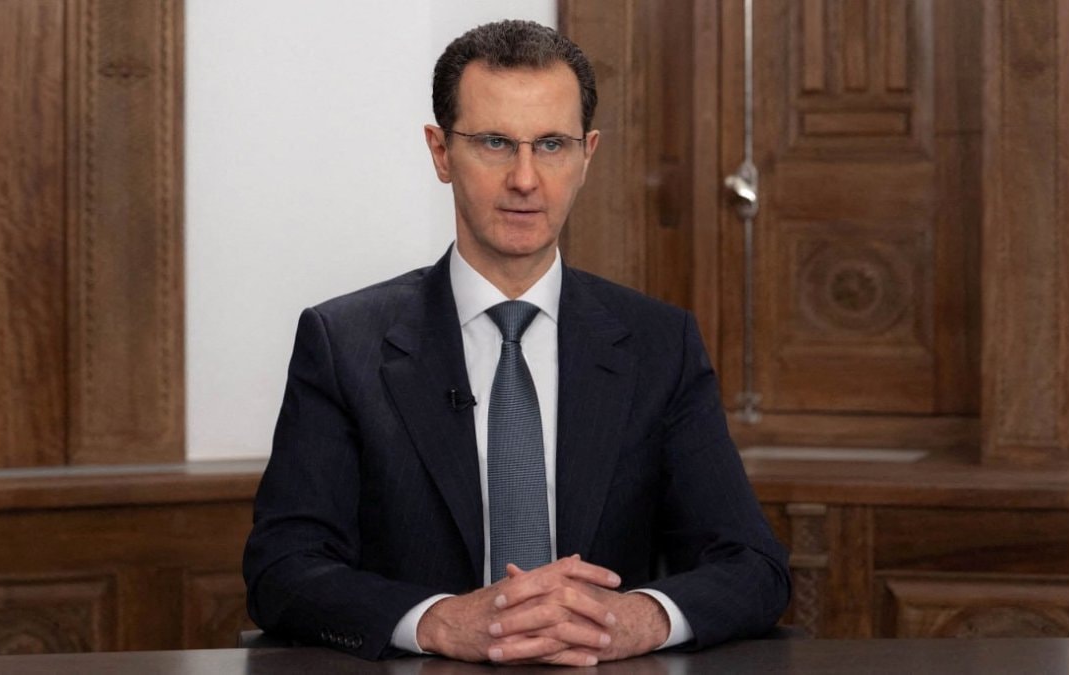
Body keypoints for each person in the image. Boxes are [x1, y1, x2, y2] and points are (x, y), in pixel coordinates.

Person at [243, 19, 790, 666]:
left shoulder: (659, 344)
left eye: (552, 145)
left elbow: (752, 564)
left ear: (587, 156)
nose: (526, 179)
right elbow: (283, 568)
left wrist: (632, 620)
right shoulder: (343, 343)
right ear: (441, 152)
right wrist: (437, 622)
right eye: (496, 143)